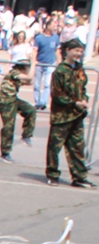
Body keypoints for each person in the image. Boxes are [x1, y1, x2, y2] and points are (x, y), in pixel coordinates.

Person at [48, 38, 93, 186]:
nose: (78, 54)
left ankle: (79, 177)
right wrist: (74, 102)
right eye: (76, 51)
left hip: (77, 115)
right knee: (55, 147)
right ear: (68, 50)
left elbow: (83, 89)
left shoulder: (79, 69)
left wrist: (84, 100)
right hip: (61, 116)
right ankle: (52, 175)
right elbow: (56, 94)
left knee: (77, 148)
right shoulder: (60, 71)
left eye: (80, 51)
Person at [0, 58, 37, 160]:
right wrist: (33, 65)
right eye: (27, 68)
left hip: (13, 99)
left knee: (30, 110)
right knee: (9, 126)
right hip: (5, 101)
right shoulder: (14, 73)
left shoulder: (19, 76)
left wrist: (32, 70)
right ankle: (5, 152)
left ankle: (26, 135)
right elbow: (28, 78)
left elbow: (29, 82)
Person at [34, 18, 59, 107]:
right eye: (53, 25)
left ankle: (44, 102)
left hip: (50, 63)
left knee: (48, 84)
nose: (55, 27)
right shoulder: (39, 38)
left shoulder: (56, 37)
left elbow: (57, 51)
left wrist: (59, 63)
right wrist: (34, 62)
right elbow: (35, 50)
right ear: (48, 26)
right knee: (37, 84)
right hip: (40, 62)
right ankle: (37, 101)